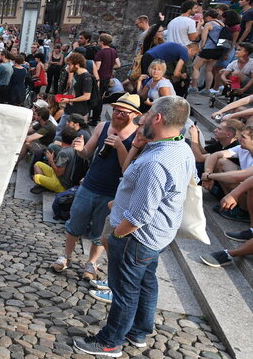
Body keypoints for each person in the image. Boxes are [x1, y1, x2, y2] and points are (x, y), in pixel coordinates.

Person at [74, 96, 195, 357]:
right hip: (157, 236)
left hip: (136, 238)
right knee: (146, 282)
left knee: (125, 290)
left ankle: (110, 341)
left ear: (158, 118)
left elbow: (139, 215)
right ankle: (139, 332)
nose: (143, 118)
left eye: (149, 113)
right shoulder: (179, 147)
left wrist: (116, 236)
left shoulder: (156, 162)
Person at [51, 93, 141, 281]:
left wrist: (119, 147)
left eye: (123, 113)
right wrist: (80, 148)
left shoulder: (137, 136)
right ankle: (66, 256)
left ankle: (91, 263)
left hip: (112, 191)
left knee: (100, 230)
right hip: (90, 184)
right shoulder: (103, 126)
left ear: (134, 114)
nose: (117, 115)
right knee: (75, 221)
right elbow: (86, 153)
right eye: (116, 110)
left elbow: (129, 169)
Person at [201, 126, 253, 221]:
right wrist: (207, 172)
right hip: (243, 186)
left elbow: (239, 176)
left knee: (248, 185)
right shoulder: (242, 148)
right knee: (221, 162)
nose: (239, 139)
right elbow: (215, 155)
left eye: (243, 137)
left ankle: (245, 213)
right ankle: (233, 206)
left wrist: (209, 176)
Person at [31, 126, 79, 194]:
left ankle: (45, 186)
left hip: (62, 184)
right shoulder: (72, 149)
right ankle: (44, 185)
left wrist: (50, 160)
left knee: (35, 177)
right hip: (58, 177)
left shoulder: (64, 153)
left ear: (62, 138)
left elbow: (59, 173)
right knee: (38, 164)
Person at [192, 9, 228, 92]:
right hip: (218, 50)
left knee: (195, 66)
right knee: (209, 70)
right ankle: (207, 89)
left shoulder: (209, 24)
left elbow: (204, 38)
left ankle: (194, 87)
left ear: (208, 17)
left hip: (208, 49)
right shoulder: (223, 25)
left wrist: (200, 47)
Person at [92, 34, 120, 124]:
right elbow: (118, 64)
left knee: (97, 98)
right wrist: (109, 67)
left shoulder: (101, 52)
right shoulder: (113, 51)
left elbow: (97, 67)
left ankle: (95, 118)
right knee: (101, 97)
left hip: (100, 77)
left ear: (102, 42)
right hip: (108, 77)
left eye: (99, 40)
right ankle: (97, 116)